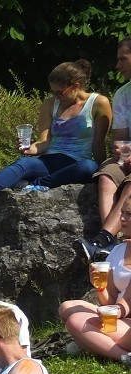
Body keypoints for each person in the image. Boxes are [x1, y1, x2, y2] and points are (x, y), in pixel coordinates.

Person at [0, 60, 111, 212]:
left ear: (75, 86)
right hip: (49, 161)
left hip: (75, 164)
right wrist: (30, 148)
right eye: (53, 92)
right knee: (24, 163)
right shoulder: (50, 104)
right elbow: (43, 141)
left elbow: (98, 142)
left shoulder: (98, 103)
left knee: (89, 166)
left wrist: (102, 172)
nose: (56, 97)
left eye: (59, 93)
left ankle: (36, 183)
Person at [76, 39, 131, 262]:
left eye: (122, 59)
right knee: (107, 174)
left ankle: (102, 239)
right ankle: (112, 244)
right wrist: (122, 150)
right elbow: (120, 138)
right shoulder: (122, 94)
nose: (117, 66)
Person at [62, 198, 131, 362]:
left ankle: (123, 356)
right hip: (120, 315)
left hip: (126, 321)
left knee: (76, 321)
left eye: (129, 214)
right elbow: (111, 301)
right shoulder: (119, 250)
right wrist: (100, 287)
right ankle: (93, 341)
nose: (122, 218)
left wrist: (114, 313)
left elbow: (127, 303)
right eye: (122, 212)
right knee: (67, 307)